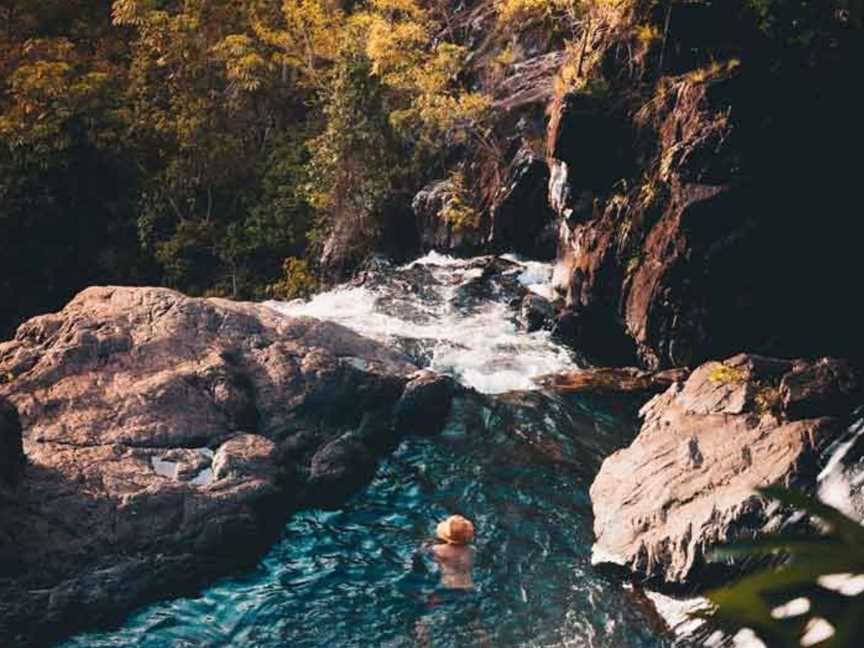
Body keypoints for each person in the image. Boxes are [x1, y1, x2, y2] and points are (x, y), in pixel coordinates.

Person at [428, 514, 475, 590]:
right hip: (468, 586)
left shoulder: (438, 550)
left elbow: (425, 551)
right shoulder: (471, 550)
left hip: (449, 586)